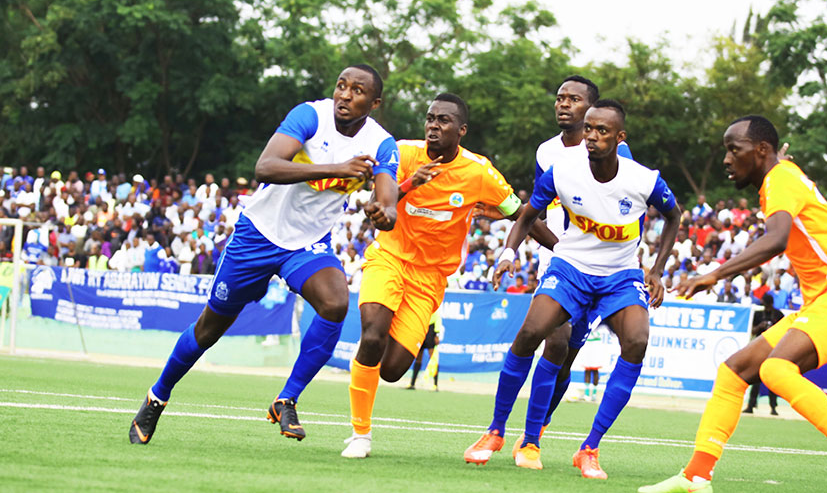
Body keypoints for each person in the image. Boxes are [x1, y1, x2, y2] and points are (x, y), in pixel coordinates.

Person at [128, 65, 399, 445]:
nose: (345, 95)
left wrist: (381, 213)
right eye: (341, 86)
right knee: (209, 329)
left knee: (336, 304)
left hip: (307, 244)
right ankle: (157, 397)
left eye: (357, 91)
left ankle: (286, 398)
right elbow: (265, 168)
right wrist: (336, 168)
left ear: (374, 102)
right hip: (257, 235)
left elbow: (389, 207)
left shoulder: (383, 145)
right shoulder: (310, 115)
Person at [640, 116, 827, 493]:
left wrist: (713, 274)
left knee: (775, 370)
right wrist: (779, 162)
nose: (726, 158)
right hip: (824, 302)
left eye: (733, 149)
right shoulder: (782, 174)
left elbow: (776, 240)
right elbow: (784, 187)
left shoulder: (780, 179)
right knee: (734, 371)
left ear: (761, 150)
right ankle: (696, 476)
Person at [464, 99, 681, 480]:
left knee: (637, 340)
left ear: (620, 138)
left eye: (602, 132)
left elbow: (674, 215)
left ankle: (589, 449)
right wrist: (506, 253)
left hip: (620, 276)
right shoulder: (562, 171)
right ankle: (496, 431)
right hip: (571, 268)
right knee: (532, 332)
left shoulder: (643, 179)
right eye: (589, 130)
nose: (592, 137)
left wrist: (658, 271)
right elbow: (528, 213)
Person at [341, 93, 556, 458]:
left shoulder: (479, 172)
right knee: (372, 335)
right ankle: (360, 434)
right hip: (389, 257)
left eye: (443, 121)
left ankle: (376, 372)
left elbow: (521, 213)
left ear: (461, 130)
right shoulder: (403, 154)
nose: (433, 127)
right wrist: (413, 184)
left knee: (392, 370)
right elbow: (381, 202)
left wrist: (564, 250)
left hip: (429, 279)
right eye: (430, 119)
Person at [742, 292, 784, 415]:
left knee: (773, 379)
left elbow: (784, 331)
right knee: (755, 379)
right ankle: (751, 405)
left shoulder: (778, 314)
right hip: (760, 349)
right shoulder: (759, 314)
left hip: (774, 349)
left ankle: (773, 407)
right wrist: (760, 325)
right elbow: (752, 331)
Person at [406, 309, 442, 391]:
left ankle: (435, 385)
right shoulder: (421, 307)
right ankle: (412, 383)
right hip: (421, 331)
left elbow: (438, 319)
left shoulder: (434, 308)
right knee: (418, 358)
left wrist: (437, 334)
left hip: (431, 332)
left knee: (433, 359)